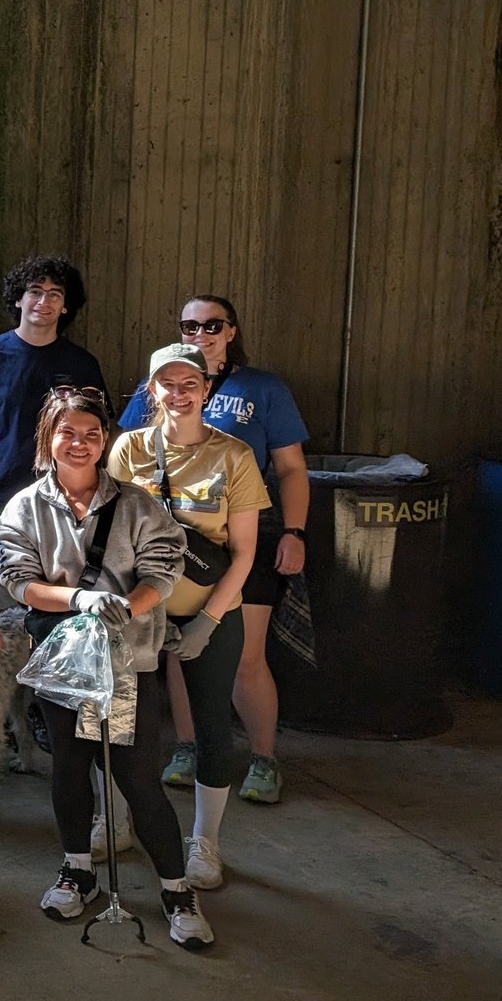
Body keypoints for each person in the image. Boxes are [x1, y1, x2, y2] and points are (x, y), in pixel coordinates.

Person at [0, 385, 213, 952]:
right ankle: (77, 870)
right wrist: (78, 600)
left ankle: (176, 887)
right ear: (48, 438)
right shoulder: (24, 507)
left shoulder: (140, 506)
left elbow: (161, 573)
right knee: (69, 767)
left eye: (93, 434)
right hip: (64, 666)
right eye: (68, 432)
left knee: (138, 777)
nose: (80, 443)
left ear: (105, 441)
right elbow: (18, 580)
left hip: (128, 663)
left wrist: (122, 607)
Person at [118, 294, 310, 804]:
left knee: (244, 653)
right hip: (169, 544)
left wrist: (295, 531)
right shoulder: (155, 384)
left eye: (212, 325)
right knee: (180, 653)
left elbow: (291, 467)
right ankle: (187, 746)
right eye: (189, 325)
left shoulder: (263, 388)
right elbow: (124, 460)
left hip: (242, 536)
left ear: (231, 330)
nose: (200, 333)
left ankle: (264, 756)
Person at [108, 344, 267, 892]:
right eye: (167, 384)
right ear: (151, 390)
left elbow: (244, 552)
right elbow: (108, 532)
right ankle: (121, 818)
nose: (179, 394)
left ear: (206, 390)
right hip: (138, 612)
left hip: (209, 610)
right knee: (124, 721)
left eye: (189, 384)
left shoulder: (235, 456)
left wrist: (208, 621)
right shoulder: (128, 449)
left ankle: (206, 839)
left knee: (211, 726)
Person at [0, 257, 108, 616]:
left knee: (62, 600)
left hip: (66, 502)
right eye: (35, 292)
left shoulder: (83, 364)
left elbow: (100, 433)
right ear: (18, 299)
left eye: (55, 294)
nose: (44, 301)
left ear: (66, 305)